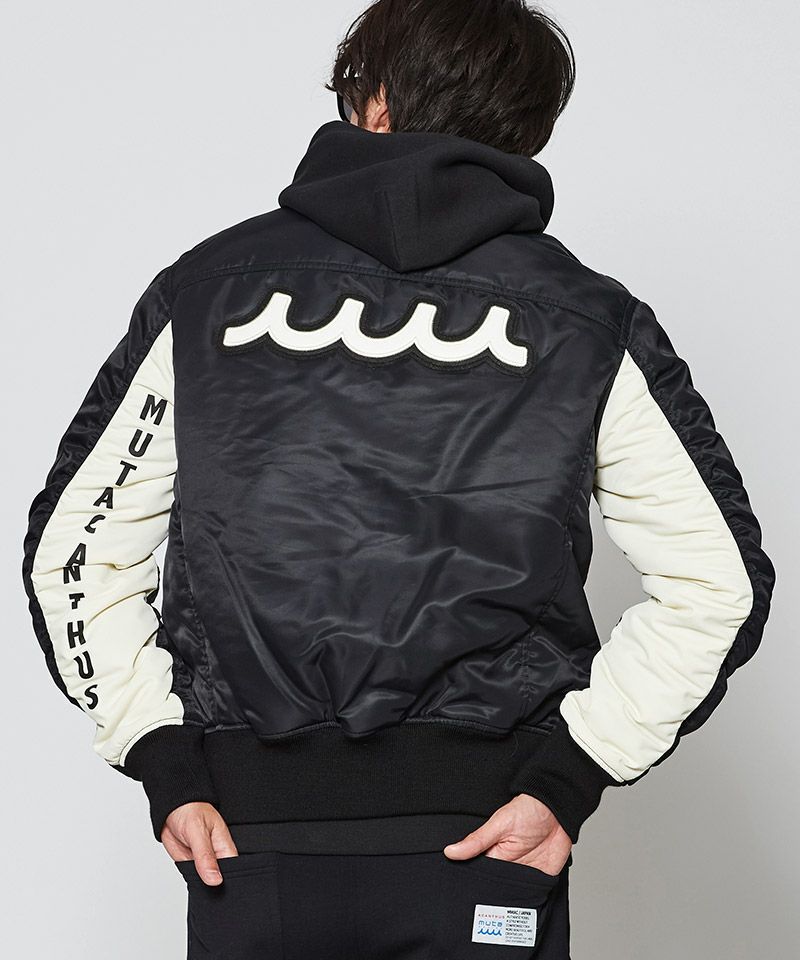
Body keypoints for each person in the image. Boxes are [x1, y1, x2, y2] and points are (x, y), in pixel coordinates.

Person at [21, 1, 776, 958]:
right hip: (486, 841)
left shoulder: (208, 292)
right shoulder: (586, 320)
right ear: (527, 129)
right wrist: (568, 777)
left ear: (371, 100)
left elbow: (75, 555)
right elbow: (718, 584)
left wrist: (164, 757)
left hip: (250, 847)